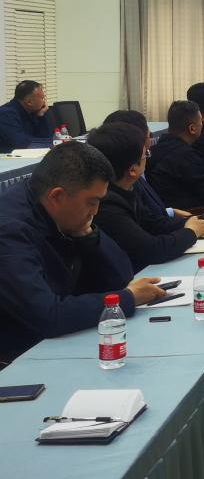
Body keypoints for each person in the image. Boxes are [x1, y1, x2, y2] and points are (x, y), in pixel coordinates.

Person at [0, 141, 166, 364]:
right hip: (18, 358)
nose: (95, 211)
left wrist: (90, 237)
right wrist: (126, 299)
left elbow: (122, 277)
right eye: (92, 202)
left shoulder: (59, 213)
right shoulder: (9, 231)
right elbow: (47, 316)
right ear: (57, 196)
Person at [87, 123, 204, 273]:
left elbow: (153, 223)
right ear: (132, 170)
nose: (148, 157)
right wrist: (191, 232)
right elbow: (151, 250)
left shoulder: (126, 187)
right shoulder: (107, 204)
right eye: (146, 154)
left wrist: (196, 220)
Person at [102, 109, 180, 226]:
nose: (150, 135)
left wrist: (170, 212)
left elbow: (148, 213)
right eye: (148, 132)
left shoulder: (134, 169)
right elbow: (148, 225)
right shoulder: (127, 179)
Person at [147, 100, 204, 212]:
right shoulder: (186, 156)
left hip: (170, 214)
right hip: (192, 214)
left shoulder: (155, 149)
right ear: (192, 128)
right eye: (200, 122)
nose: (202, 125)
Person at [0, 79, 55, 152]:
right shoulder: (6, 114)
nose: (44, 101)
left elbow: (45, 136)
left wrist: (41, 116)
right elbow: (23, 143)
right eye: (42, 98)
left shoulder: (32, 111)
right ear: (29, 102)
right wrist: (55, 142)